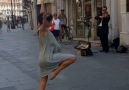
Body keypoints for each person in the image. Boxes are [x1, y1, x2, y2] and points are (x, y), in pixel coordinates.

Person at [38, 1, 76, 90]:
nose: (52, 21)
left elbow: (41, 13)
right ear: (44, 21)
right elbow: (43, 19)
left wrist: (42, 2)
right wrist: (44, 18)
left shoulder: (43, 29)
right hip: (48, 58)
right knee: (72, 58)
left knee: (42, 84)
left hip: (41, 60)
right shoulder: (42, 30)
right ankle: (56, 71)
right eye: (50, 20)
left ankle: (55, 71)